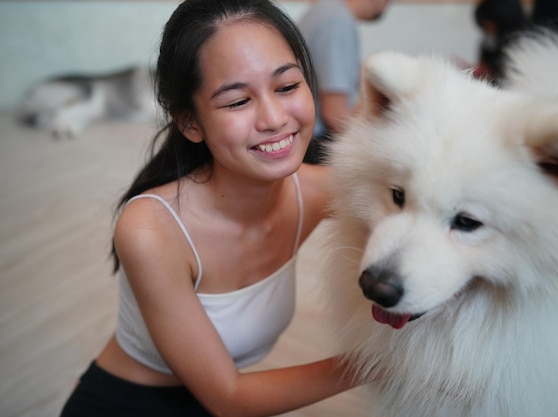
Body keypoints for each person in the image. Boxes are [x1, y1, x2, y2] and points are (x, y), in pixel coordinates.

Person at [58, 0, 363, 416]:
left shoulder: (316, 191)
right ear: (190, 123)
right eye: (238, 101)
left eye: (288, 86)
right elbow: (229, 398)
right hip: (130, 404)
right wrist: (377, 362)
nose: (274, 118)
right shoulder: (150, 229)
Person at [298, 0, 391, 164]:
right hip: (315, 146)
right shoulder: (337, 22)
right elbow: (334, 113)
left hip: (305, 139)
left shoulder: (324, 11)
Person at [473, 0, 527, 83]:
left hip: (509, 79)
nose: (488, 28)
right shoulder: (491, 35)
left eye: (490, 25)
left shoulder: (518, 40)